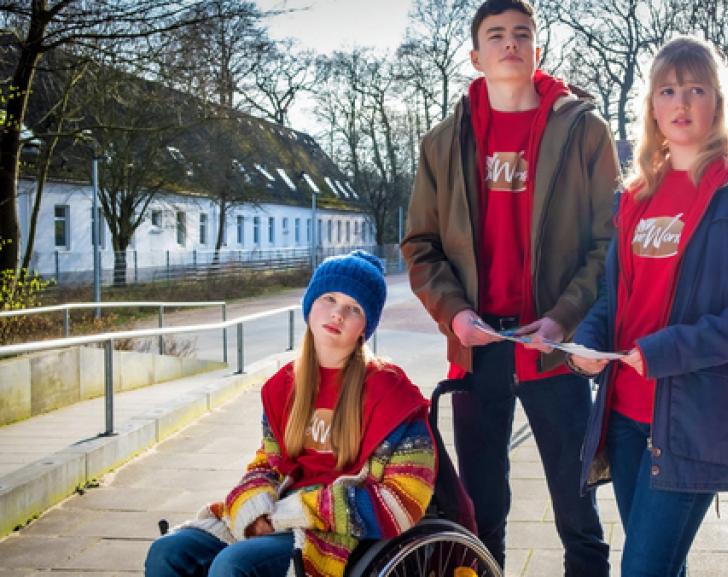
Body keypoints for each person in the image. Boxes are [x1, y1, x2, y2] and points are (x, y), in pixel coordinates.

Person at [400, 0, 618, 574]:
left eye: (523, 33)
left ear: (537, 50)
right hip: (478, 353)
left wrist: (564, 319)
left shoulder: (584, 132)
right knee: (481, 515)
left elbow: (608, 243)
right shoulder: (443, 143)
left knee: (579, 516)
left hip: (552, 349)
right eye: (496, 35)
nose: (510, 43)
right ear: (476, 56)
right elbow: (419, 245)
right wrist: (454, 315)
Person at [569, 36, 728, 577]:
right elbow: (613, 296)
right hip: (623, 414)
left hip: (696, 420)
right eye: (668, 90)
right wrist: (589, 339)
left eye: (696, 89)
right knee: (661, 567)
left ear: (717, 103)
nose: (681, 103)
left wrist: (665, 350)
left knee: (643, 569)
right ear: (652, 105)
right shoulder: (633, 195)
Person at [145, 250, 436, 577]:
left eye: (353, 308)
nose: (337, 314)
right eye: (329, 298)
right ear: (310, 305)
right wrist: (254, 509)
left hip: (336, 534)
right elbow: (267, 463)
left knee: (233, 565)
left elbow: (405, 499)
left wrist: (296, 512)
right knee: (167, 553)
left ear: (365, 326)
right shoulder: (283, 386)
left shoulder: (391, 393)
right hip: (278, 514)